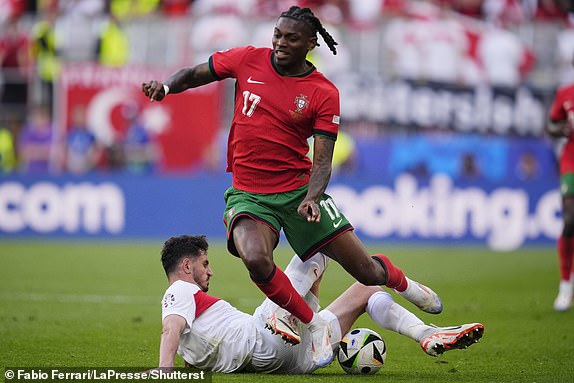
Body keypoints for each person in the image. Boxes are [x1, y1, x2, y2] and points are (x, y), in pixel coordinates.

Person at [143, 5, 443, 367]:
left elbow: (322, 160)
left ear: (310, 43)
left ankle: (404, 284)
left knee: (365, 271)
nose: (280, 43)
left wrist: (313, 198)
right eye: (278, 35)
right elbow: (194, 73)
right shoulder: (248, 60)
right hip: (249, 193)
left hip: (299, 191)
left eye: (291, 38)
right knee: (255, 258)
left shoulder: (323, 92)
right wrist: (166, 87)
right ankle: (314, 325)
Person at [158, 234, 485, 373]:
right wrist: (164, 373)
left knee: (366, 292)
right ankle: (285, 315)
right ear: (186, 267)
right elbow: (170, 330)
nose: (209, 270)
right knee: (317, 245)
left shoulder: (194, 335)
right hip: (262, 337)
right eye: (204, 264)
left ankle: (426, 333)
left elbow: (193, 344)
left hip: (293, 361)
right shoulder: (180, 292)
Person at [547, 54, 574, 311]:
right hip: (571, 162)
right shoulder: (566, 93)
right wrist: (563, 130)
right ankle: (565, 287)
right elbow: (551, 125)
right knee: (569, 220)